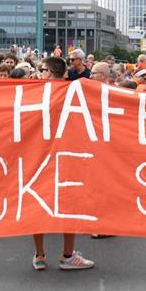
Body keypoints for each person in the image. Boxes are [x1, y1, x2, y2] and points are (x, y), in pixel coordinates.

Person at [32, 55, 94, 271]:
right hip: (67, 155)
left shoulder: (34, 93)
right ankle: (67, 255)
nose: (39, 72)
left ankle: (40, 255)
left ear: (49, 73)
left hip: (39, 155)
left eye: (42, 69)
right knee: (69, 203)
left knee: (36, 203)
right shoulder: (74, 93)